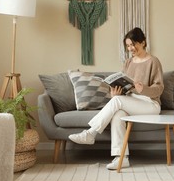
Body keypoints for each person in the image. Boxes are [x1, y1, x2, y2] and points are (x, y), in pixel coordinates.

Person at [69, 27, 164, 170]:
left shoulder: (153, 61)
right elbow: (125, 86)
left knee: (117, 102)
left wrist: (143, 89)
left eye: (133, 44)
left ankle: (90, 133)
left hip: (150, 104)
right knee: (118, 115)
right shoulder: (128, 62)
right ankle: (121, 158)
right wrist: (116, 93)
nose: (130, 48)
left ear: (143, 42)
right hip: (131, 102)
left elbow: (159, 88)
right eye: (128, 46)